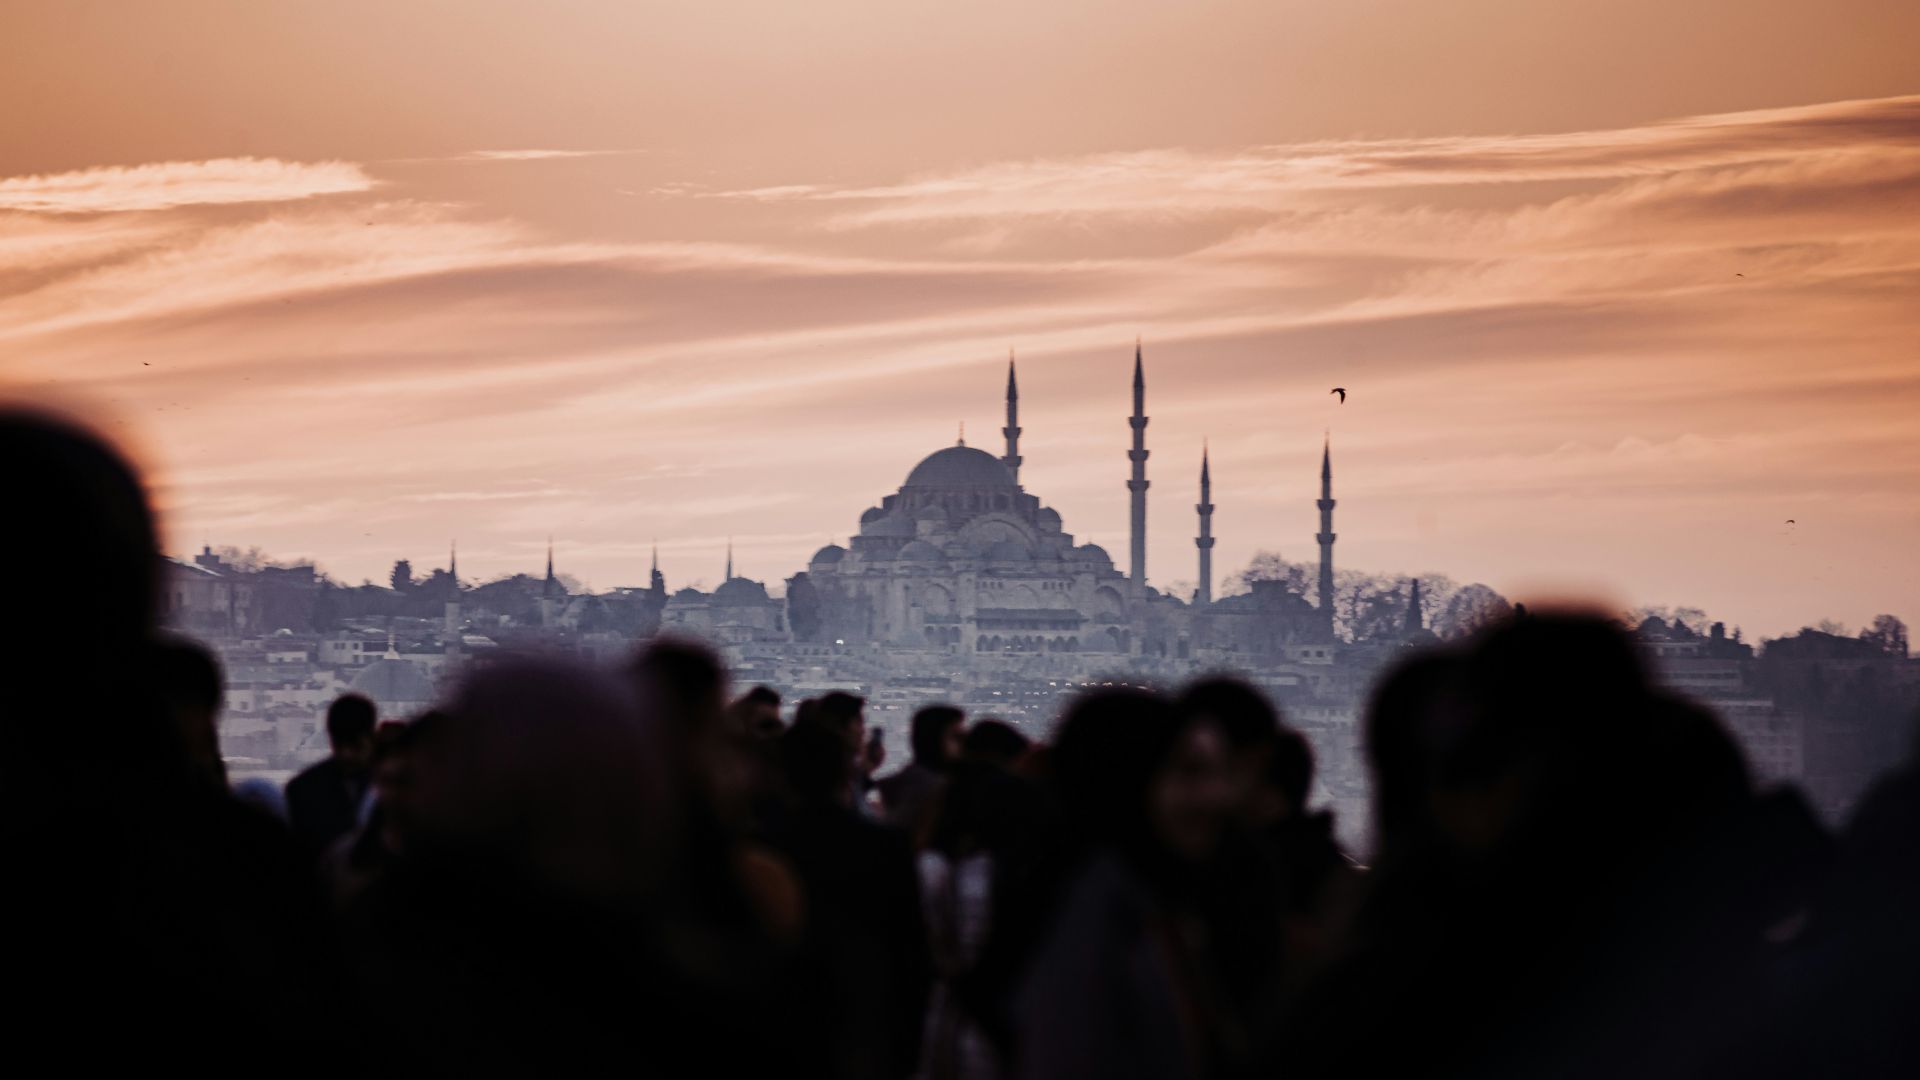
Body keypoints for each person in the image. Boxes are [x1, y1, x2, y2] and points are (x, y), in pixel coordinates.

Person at [773, 711, 933, 1080]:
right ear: (845, 772)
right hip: (865, 1019)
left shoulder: (764, 846)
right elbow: (910, 953)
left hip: (783, 1022)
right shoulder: (884, 846)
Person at [286, 693, 378, 858]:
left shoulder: (391, 785)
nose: (346, 754)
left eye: (355, 745)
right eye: (339, 744)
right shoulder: (302, 790)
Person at [879, 704, 965, 837]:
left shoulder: (905, 783)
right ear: (933, 740)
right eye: (956, 737)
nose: (963, 745)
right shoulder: (931, 789)